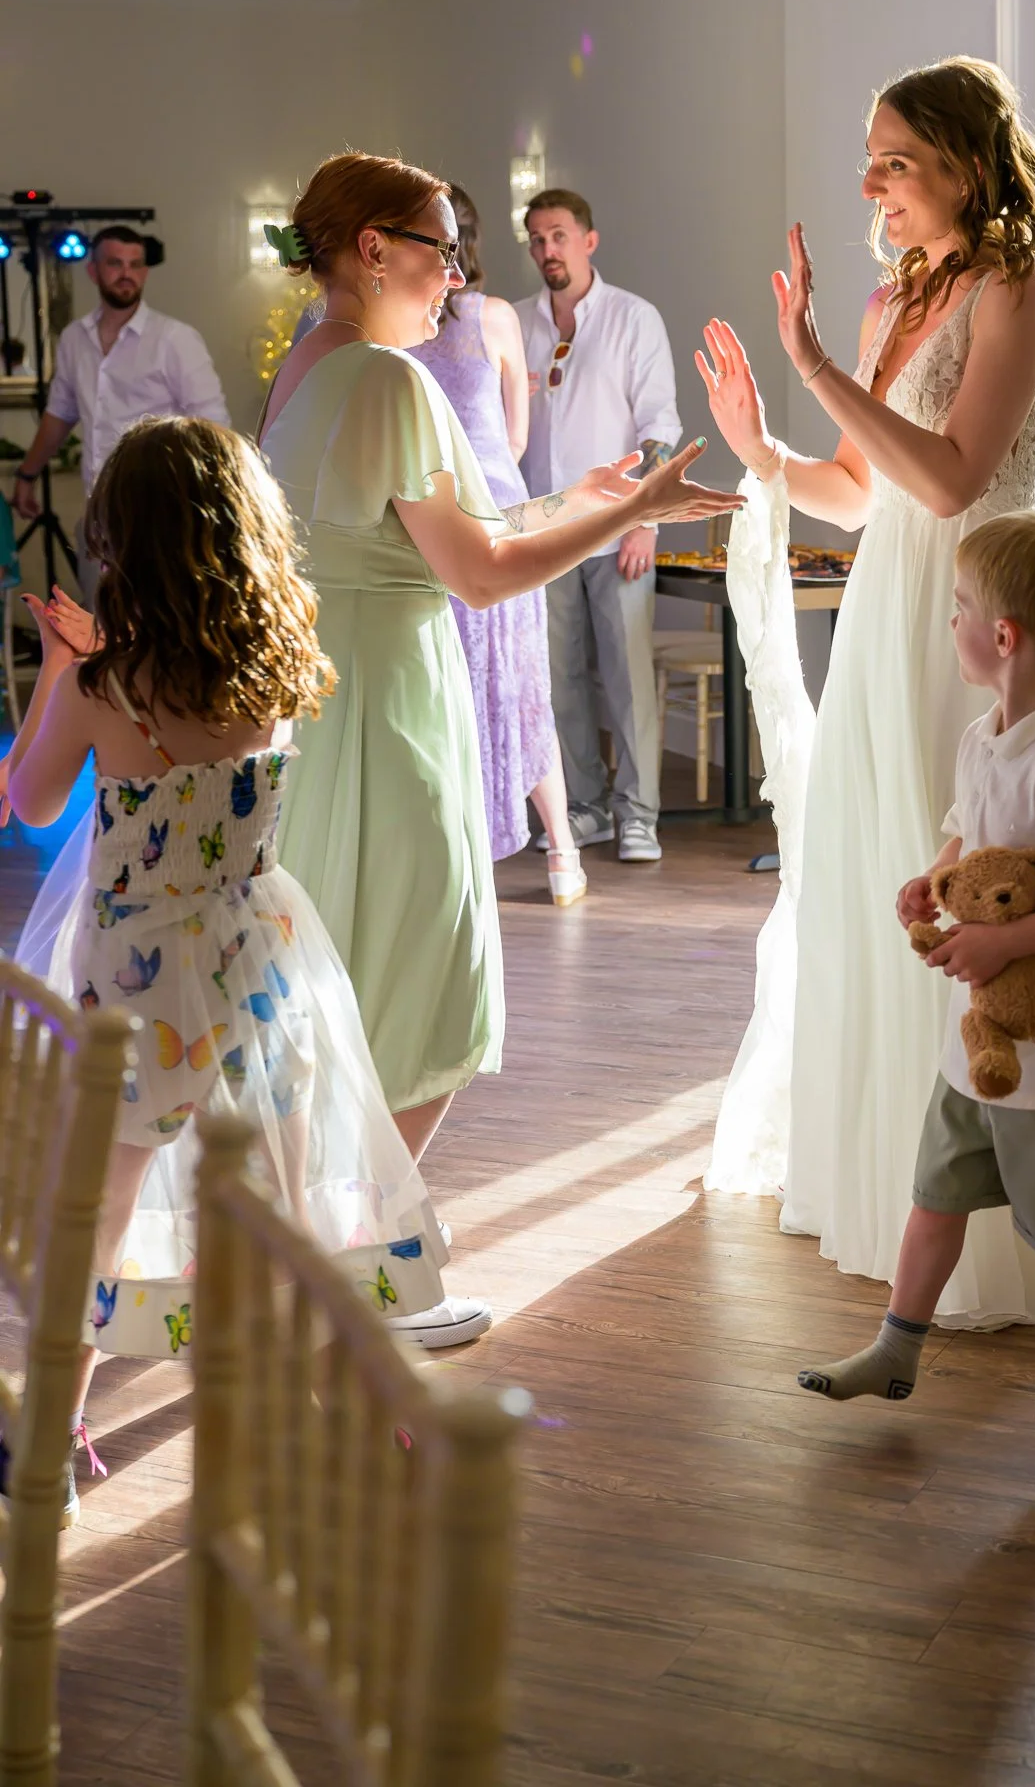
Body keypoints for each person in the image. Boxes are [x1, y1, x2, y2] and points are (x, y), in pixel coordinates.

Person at [256, 154, 740, 1342]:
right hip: (393, 706)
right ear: (372, 248)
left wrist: (573, 500)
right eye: (438, 247)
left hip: (324, 704)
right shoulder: (390, 378)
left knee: (348, 987)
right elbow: (472, 575)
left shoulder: (305, 372)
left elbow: (429, 536)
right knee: (433, 986)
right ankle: (371, 1262)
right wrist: (626, 514)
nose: (458, 275)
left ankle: (333, 1249)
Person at [3, 417, 453, 1521]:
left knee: (92, 1219)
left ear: (127, 549)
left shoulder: (107, 683)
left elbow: (30, 799)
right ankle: (345, 1397)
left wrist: (59, 667)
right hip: (257, 958)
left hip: (136, 982)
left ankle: (51, 1431)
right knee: (289, 1207)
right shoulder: (276, 663)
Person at [698, 56, 1035, 1322]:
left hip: (968, 621)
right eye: (869, 157)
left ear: (966, 162)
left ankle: (988, 1227)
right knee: (869, 880)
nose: (870, 182)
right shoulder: (901, 296)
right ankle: (877, 1190)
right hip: (879, 617)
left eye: (894, 159)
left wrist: (815, 366)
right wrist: (768, 450)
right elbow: (864, 493)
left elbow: (958, 478)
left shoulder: (1018, 288)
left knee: (951, 872)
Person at [800, 512, 1035, 1467]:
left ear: (1002, 638)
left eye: (960, 608)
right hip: (984, 1044)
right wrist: (936, 874)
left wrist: (1005, 947)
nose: (949, 621)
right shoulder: (985, 736)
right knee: (937, 1195)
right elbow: (971, 828)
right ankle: (895, 1348)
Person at [411, 187, 584, 904]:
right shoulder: (497, 319)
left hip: (426, 522)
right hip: (500, 515)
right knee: (518, 692)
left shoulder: (391, 329)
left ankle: (455, 859)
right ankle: (563, 856)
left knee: (442, 695)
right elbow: (515, 437)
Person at [516, 191, 682, 864]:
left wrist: (645, 519)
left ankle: (638, 814)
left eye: (557, 235)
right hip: (543, 534)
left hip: (617, 530)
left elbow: (659, 428)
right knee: (557, 679)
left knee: (625, 677)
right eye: (535, 239)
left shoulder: (632, 319)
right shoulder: (517, 323)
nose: (546, 250)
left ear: (589, 240)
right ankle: (583, 807)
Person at [13, 227, 229, 595]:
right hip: (98, 519)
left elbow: (213, 428)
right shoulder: (73, 339)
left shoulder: (175, 339)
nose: (127, 273)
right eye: (115, 263)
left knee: (161, 632)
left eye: (136, 264)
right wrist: (27, 474)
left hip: (163, 516)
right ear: (94, 271)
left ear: (145, 271)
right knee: (98, 629)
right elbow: (60, 415)